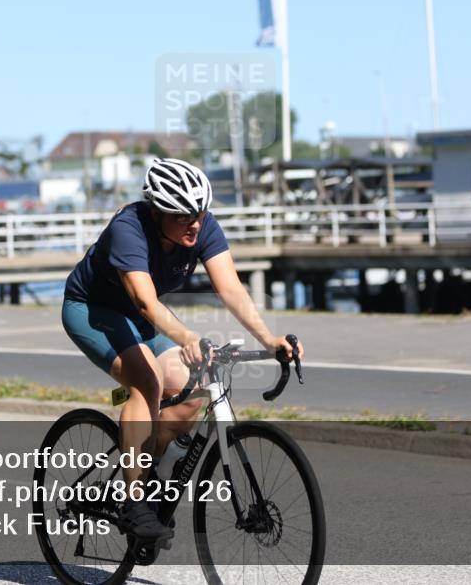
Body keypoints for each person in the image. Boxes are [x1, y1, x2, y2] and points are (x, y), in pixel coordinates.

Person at [62, 158, 303, 541]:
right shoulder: (130, 229)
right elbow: (144, 302)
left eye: (200, 213)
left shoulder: (201, 226)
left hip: (143, 316)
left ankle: (146, 472)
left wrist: (269, 340)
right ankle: (132, 500)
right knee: (148, 383)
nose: (194, 223)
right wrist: (188, 338)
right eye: (182, 215)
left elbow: (231, 288)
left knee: (194, 391)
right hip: (93, 310)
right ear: (158, 211)